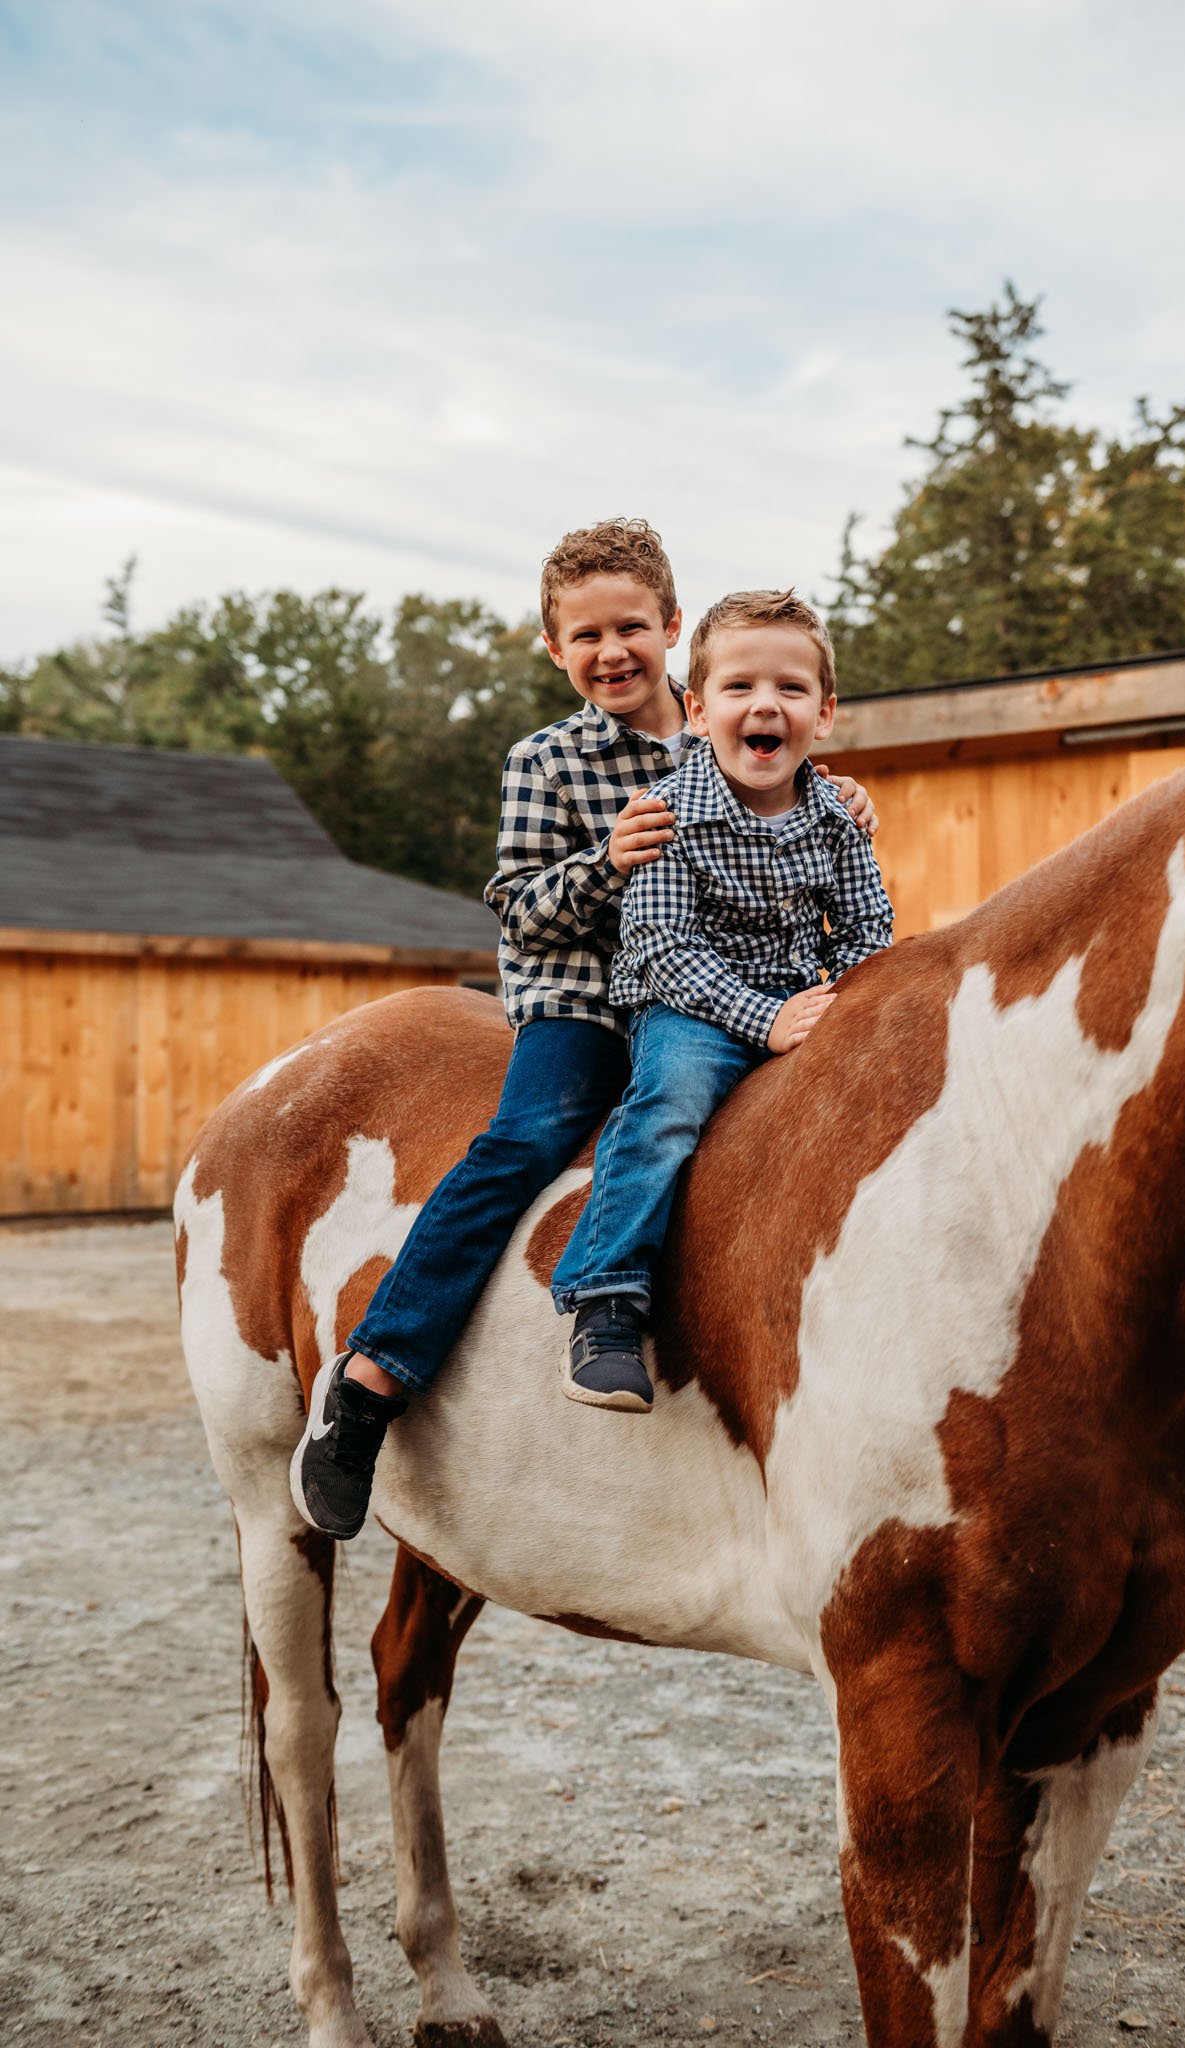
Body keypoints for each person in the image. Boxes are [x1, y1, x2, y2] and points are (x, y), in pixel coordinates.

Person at [290, 526, 877, 1538]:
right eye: (587, 633)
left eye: (631, 627)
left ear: (671, 632)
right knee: (528, 1136)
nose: (612, 650)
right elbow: (516, 908)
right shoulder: (547, 760)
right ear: (553, 647)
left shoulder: (724, 726)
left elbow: (795, 801)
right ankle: (374, 1377)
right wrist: (604, 862)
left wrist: (840, 800)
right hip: (584, 999)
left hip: (716, 994)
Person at [552, 587, 894, 1409]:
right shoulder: (667, 812)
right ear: (699, 712)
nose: (764, 705)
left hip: (800, 1004)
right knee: (668, 1103)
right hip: (691, 1010)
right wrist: (765, 1018)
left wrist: (843, 998)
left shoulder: (836, 821)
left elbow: (865, 927)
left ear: (825, 713)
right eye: (740, 688)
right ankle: (606, 1299)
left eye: (789, 689)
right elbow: (664, 953)